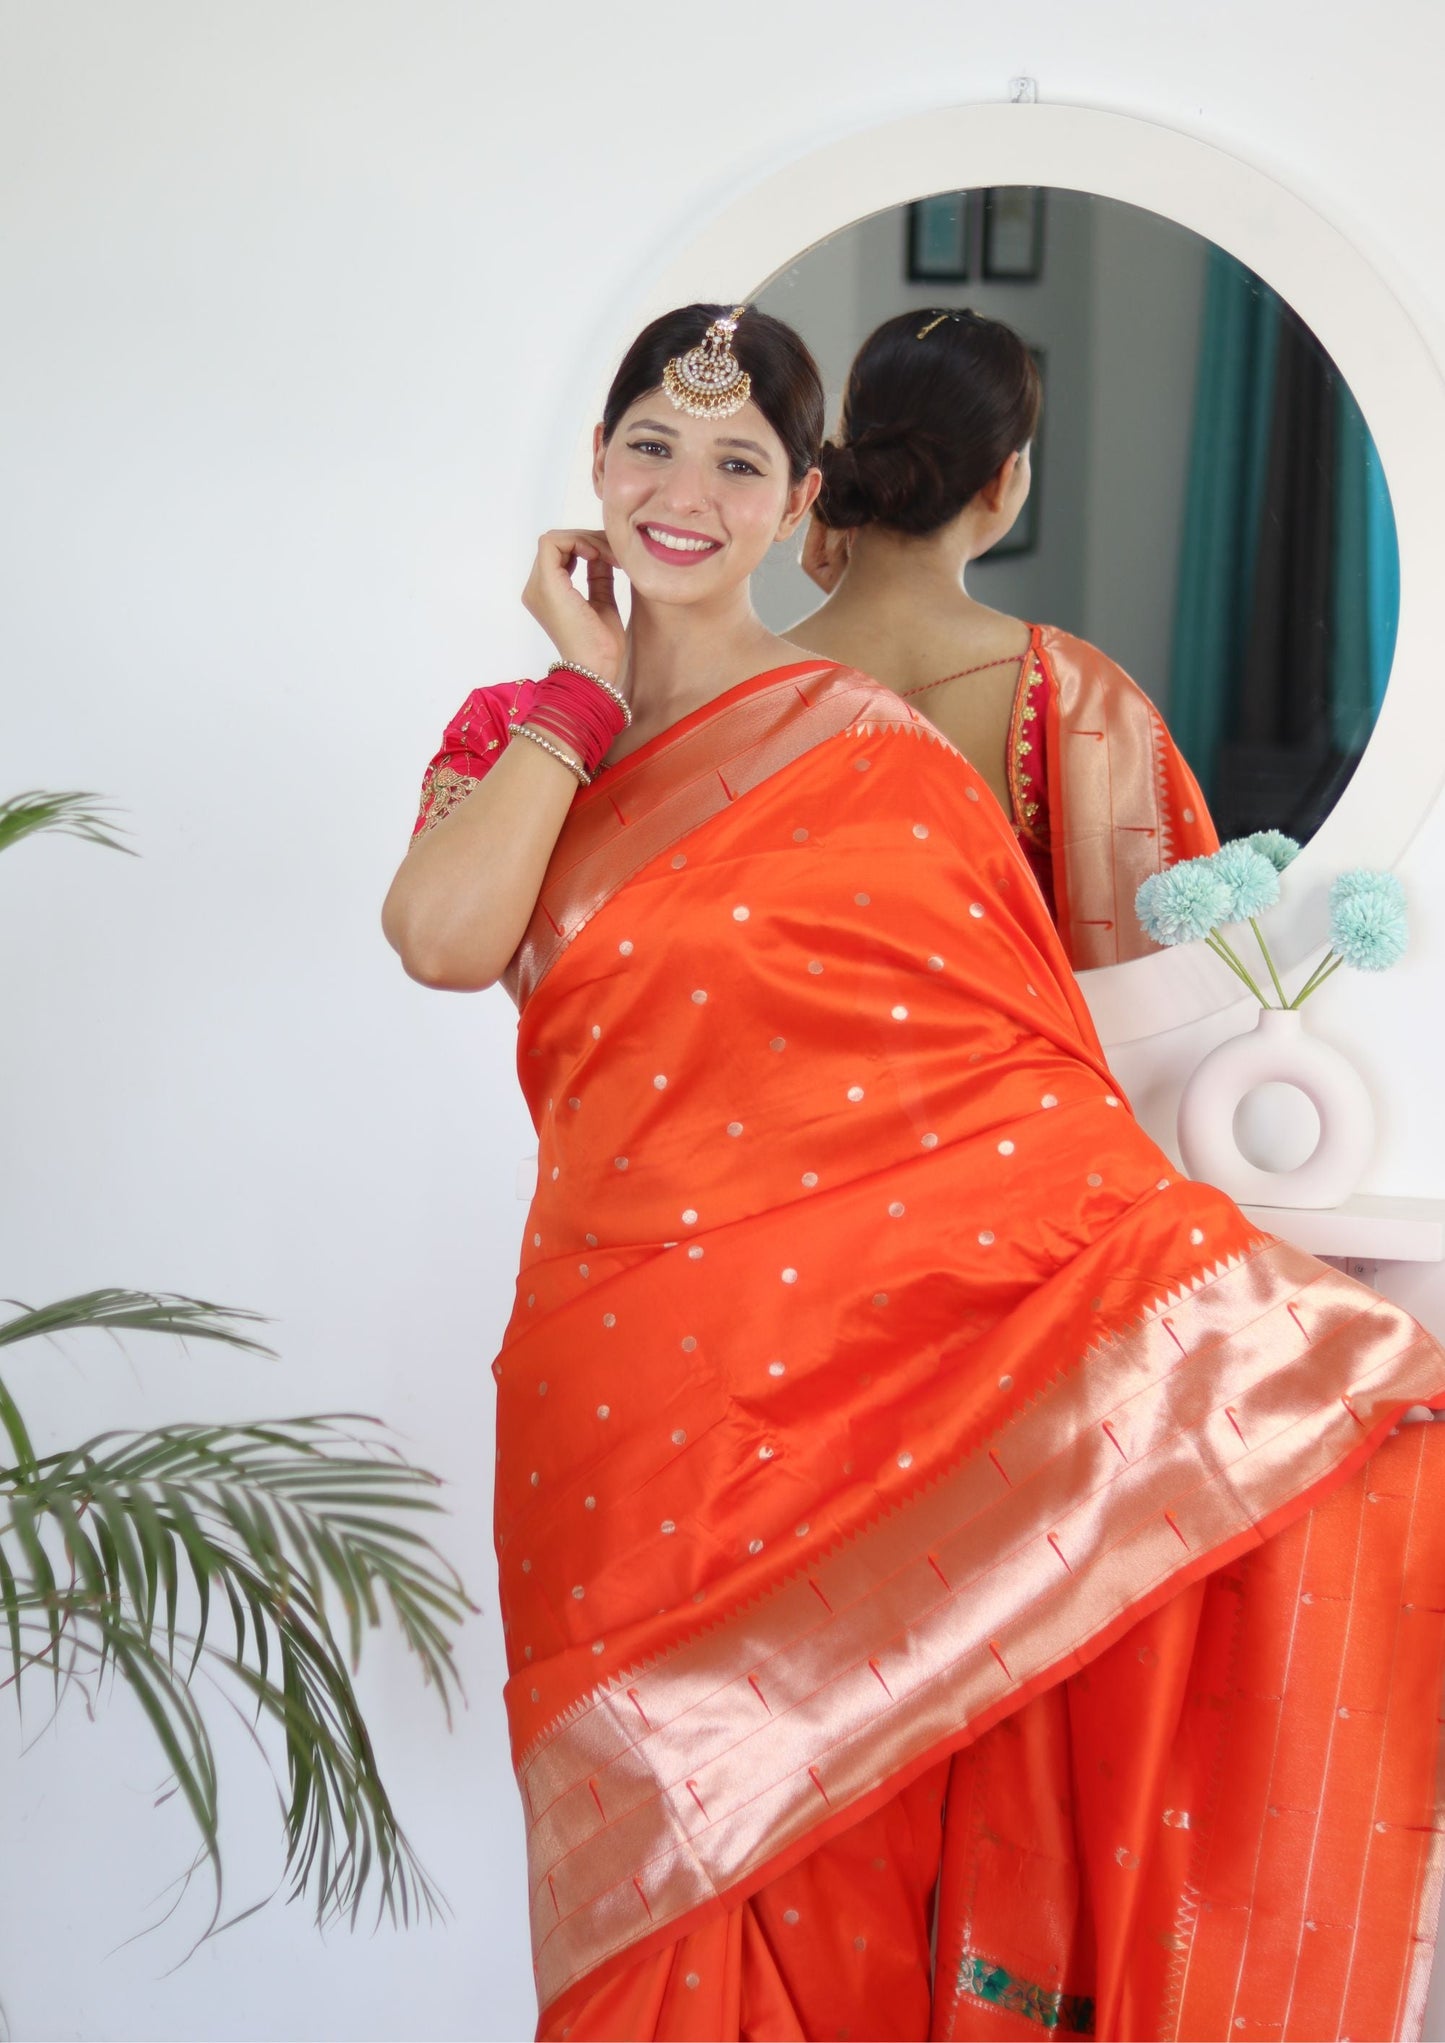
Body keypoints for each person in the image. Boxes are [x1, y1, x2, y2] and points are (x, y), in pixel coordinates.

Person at [383, 303, 1445, 2043]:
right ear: (597, 463)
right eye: (652, 445)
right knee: (643, 1863)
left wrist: (1268, 1343)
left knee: (843, 1841)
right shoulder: (525, 732)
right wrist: (578, 697)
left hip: (836, 1386)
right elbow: (441, 936)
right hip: (620, 1383)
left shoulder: (867, 744)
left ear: (802, 497)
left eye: (737, 463)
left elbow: (1004, 1080)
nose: (684, 493)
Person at [791, 307, 1219, 970]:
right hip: (1017, 1041)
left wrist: (842, 608)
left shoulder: (747, 687)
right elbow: (1174, 957)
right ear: (1003, 478)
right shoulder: (1077, 693)